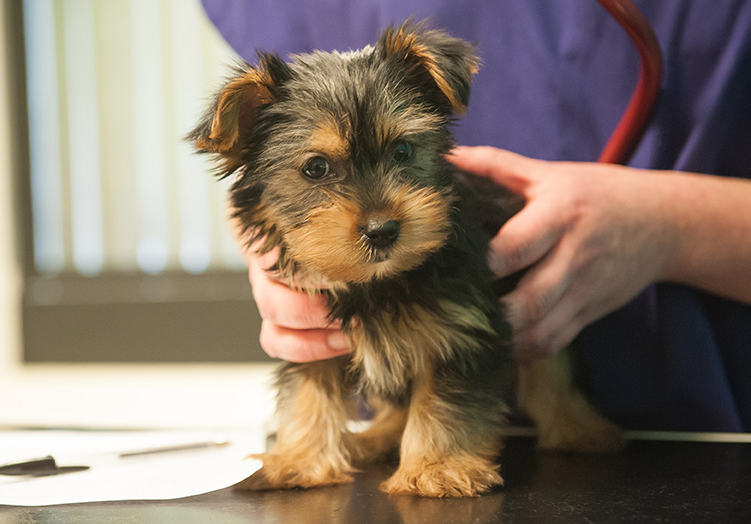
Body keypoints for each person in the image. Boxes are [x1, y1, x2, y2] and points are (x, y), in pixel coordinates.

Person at [200, 0, 751, 432]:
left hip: (703, 422)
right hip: (384, 445)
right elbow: (254, 151)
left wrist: (676, 224)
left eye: (402, 153)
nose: (373, 214)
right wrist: (270, 228)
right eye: (319, 168)